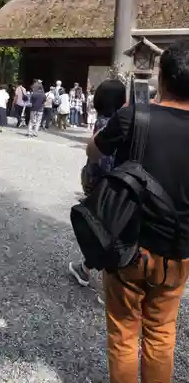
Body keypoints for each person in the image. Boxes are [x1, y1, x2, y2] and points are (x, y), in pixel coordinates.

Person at [85, 40, 189, 383]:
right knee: (161, 334)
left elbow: (95, 150)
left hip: (129, 243)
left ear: (162, 77)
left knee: (124, 332)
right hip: (178, 250)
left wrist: (124, 117)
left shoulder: (135, 116)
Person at [70, 78, 127, 289]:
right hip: (110, 184)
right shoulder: (116, 122)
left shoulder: (104, 121)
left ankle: (90, 272)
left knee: (105, 233)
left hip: (101, 183)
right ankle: (96, 275)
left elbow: (99, 159)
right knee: (108, 233)